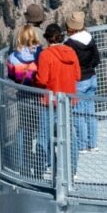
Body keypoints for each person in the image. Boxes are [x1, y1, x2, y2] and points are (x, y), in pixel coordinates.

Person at [36, 23, 81, 175]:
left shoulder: (45, 55)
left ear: (48, 39)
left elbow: (42, 80)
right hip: (67, 100)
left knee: (44, 134)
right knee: (70, 135)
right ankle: (72, 168)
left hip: (49, 100)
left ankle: (42, 168)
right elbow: (78, 76)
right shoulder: (71, 52)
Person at [7, 25, 43, 176]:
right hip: (40, 98)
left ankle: (25, 164)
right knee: (41, 131)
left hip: (22, 98)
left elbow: (12, 77)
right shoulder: (40, 56)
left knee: (25, 132)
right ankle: (41, 166)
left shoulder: (13, 58)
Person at [65, 11, 101, 153]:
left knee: (78, 113)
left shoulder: (69, 44)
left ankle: (81, 145)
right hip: (92, 77)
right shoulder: (90, 39)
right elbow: (97, 59)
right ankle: (93, 143)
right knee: (90, 112)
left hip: (79, 80)